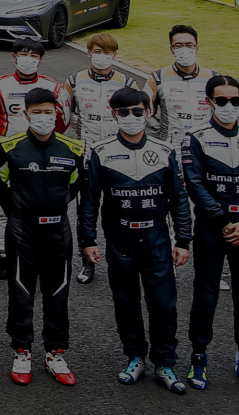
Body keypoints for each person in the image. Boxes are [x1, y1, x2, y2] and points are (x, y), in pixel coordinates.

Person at [78, 87, 193, 394]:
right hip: (120, 237)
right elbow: (89, 200)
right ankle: (134, 357)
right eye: (124, 112)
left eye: (138, 111)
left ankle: (165, 362)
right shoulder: (100, 151)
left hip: (156, 237)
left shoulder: (165, 151)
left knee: (164, 304)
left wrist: (183, 239)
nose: (132, 117)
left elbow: (179, 199)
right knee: (126, 301)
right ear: (113, 114)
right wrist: (87, 239)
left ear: (148, 112)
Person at [179, 75, 239, 393]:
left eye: (235, 100)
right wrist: (222, 220)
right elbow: (194, 184)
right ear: (209, 102)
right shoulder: (195, 137)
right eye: (221, 100)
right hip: (212, 226)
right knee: (206, 294)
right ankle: (198, 356)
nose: (229, 106)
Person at [0, 88, 86, 386]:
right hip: (22, 231)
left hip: (58, 232)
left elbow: (75, 185)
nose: (43, 117)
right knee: (21, 292)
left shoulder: (73, 148)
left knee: (58, 293)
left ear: (56, 113)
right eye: (37, 112)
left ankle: (55, 352)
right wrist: (17, 210)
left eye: (48, 112)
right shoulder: (9, 147)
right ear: (26, 113)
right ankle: (22, 350)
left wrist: (55, 206)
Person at [0, 38, 71, 279]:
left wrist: (45, 141)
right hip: (8, 153)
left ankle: (40, 253)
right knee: (4, 204)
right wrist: (7, 140)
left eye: (33, 55)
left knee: (42, 201)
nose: (28, 59)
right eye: (23, 54)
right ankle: (3, 254)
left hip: (44, 152)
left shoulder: (54, 87)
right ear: (14, 57)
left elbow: (63, 121)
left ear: (40, 59)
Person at [64, 33, 141, 284]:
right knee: (86, 211)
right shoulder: (74, 80)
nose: (102, 56)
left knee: (121, 210)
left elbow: (137, 118)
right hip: (87, 155)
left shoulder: (127, 82)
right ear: (89, 53)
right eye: (98, 51)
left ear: (115, 55)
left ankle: (124, 259)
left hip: (118, 157)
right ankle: (87, 261)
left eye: (108, 52)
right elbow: (67, 116)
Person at [147, 25, 221, 148]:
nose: (184, 49)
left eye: (189, 45)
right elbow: (147, 116)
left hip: (207, 147)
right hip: (171, 148)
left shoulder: (214, 78)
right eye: (178, 45)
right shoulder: (156, 78)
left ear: (197, 48)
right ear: (171, 49)